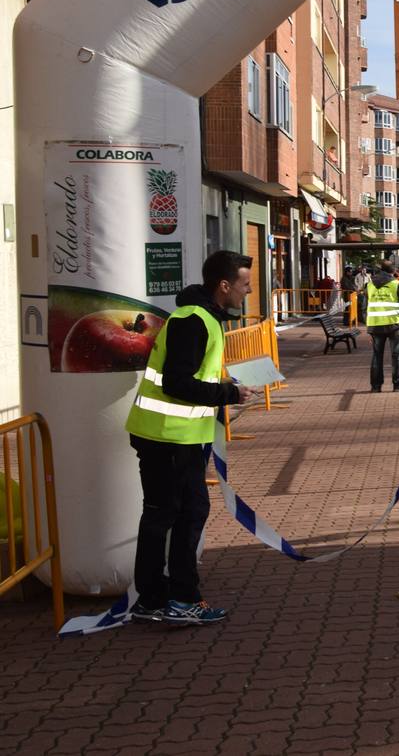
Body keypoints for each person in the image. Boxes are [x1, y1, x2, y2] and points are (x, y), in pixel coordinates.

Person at [126, 250, 259, 625]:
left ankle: (153, 598)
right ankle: (179, 599)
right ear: (223, 285)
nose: (248, 292)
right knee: (179, 514)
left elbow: (190, 375)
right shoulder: (195, 320)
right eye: (244, 285)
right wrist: (227, 395)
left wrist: (225, 384)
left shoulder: (200, 318)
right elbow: (177, 382)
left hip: (171, 436)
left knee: (167, 514)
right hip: (170, 438)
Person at [367, 259, 399, 392]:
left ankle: (375, 387)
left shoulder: (369, 285)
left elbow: (364, 305)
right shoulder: (398, 284)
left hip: (375, 325)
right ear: (392, 271)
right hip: (395, 325)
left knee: (376, 355)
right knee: (396, 355)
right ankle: (398, 384)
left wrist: (369, 322)